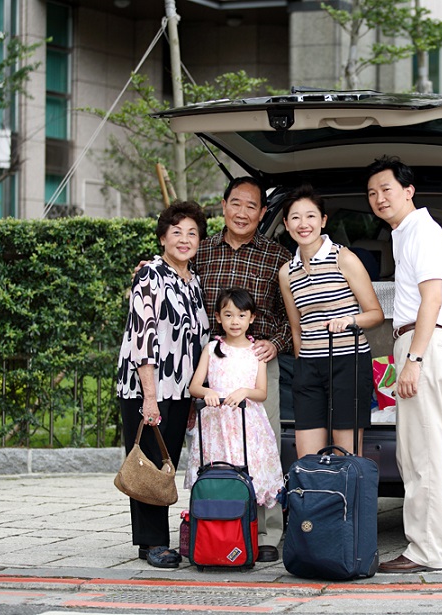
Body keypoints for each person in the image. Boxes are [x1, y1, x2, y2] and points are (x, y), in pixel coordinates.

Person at [365, 156, 442, 574]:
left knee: (420, 456)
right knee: (422, 453)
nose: (379, 198)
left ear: (409, 190)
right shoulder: (405, 233)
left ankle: (423, 551)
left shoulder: (421, 231)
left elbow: (433, 299)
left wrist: (414, 360)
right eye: (372, 193)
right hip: (420, 343)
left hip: (425, 345)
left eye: (386, 189)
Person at [191, 176, 291, 563]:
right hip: (214, 363)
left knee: (262, 445)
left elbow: (291, 314)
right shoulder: (202, 251)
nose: (242, 212)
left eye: (252, 206)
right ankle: (216, 523)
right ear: (223, 205)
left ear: (263, 212)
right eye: (236, 203)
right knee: (215, 447)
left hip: (257, 363)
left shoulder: (276, 256)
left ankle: (267, 533)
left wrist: (275, 343)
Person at [116, 201, 210, 569]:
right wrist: (150, 398)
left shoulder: (194, 281)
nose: (184, 239)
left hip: (180, 390)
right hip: (148, 387)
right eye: (177, 232)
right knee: (149, 463)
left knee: (165, 463)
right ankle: (152, 542)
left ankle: (153, 539)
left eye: (192, 233)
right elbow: (143, 338)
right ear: (162, 238)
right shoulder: (150, 276)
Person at [277, 185, 384, 457]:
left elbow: (375, 314)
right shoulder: (287, 272)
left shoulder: (343, 258)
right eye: (295, 217)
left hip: (347, 363)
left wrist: (349, 319)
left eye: (311, 216)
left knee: (345, 456)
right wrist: (302, 366)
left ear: (323, 220)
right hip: (309, 367)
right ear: (286, 224)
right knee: (308, 459)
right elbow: (296, 328)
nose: (304, 224)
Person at [185, 288, 283, 512]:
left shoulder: (257, 352)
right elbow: (194, 387)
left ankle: (247, 526)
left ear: (251, 318)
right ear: (218, 317)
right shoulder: (211, 349)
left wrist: (245, 392)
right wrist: (207, 392)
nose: (235, 321)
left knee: (248, 473)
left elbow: (262, 393)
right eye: (228, 315)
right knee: (217, 472)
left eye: (241, 315)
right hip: (216, 425)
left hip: (246, 424)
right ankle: (217, 522)